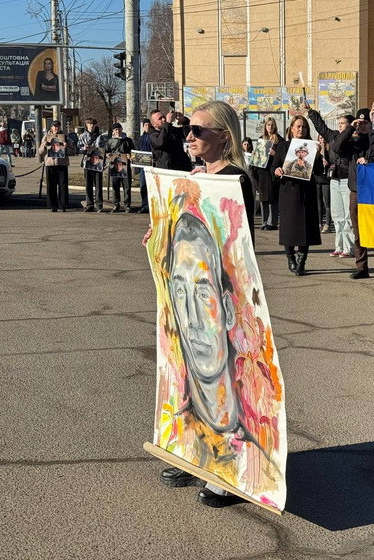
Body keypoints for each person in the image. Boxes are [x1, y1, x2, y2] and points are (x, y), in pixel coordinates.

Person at [144, 99, 258, 507]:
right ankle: (192, 453)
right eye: (187, 130)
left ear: (224, 138)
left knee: (226, 373)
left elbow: (235, 244)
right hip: (186, 288)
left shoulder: (235, 181)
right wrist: (159, 233)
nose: (188, 137)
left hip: (219, 291)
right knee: (185, 368)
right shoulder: (195, 177)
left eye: (198, 131)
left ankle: (230, 471)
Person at [272, 115, 322, 275]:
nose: (301, 129)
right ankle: (290, 257)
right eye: (298, 126)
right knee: (289, 226)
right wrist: (277, 171)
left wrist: (319, 155)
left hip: (307, 191)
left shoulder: (312, 146)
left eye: (304, 127)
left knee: (305, 227)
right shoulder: (283, 146)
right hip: (288, 190)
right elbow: (274, 167)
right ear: (291, 128)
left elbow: (320, 171)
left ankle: (302, 261)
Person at [342, 107, 374, 280]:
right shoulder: (353, 141)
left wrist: (373, 128)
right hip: (356, 189)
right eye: (359, 123)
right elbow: (338, 147)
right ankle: (362, 266)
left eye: (365, 123)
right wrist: (350, 129)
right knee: (358, 230)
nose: (362, 126)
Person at [306, 104, 355, 257]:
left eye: (343, 124)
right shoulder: (333, 135)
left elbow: (341, 146)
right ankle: (339, 246)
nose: (339, 126)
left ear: (350, 126)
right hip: (334, 179)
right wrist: (311, 112)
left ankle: (349, 247)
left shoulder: (353, 139)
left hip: (347, 180)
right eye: (339, 123)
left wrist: (350, 130)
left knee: (348, 216)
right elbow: (321, 127)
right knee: (337, 215)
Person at [253, 117, 282, 230]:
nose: (270, 127)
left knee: (273, 198)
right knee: (263, 198)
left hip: (272, 172)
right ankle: (264, 222)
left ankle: (272, 222)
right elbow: (256, 158)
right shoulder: (261, 139)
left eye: (272, 125)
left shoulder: (279, 140)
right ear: (265, 126)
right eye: (268, 125)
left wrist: (275, 153)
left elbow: (283, 157)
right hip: (262, 172)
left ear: (275, 126)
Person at [37, 120, 70, 212]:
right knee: (51, 185)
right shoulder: (46, 137)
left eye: (58, 127)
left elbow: (73, 151)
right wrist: (44, 145)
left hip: (62, 163)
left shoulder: (65, 137)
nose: (56, 128)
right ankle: (52, 205)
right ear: (51, 128)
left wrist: (67, 147)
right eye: (54, 127)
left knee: (63, 185)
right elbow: (40, 151)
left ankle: (63, 205)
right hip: (50, 163)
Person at [78, 118, 106, 212]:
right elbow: (78, 148)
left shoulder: (100, 136)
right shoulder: (82, 136)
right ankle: (89, 204)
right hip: (87, 162)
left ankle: (99, 205)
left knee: (98, 184)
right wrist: (84, 148)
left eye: (92, 124)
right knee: (88, 184)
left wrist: (95, 148)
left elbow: (104, 148)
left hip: (98, 162)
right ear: (86, 125)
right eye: (89, 124)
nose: (91, 126)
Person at [106, 123, 134, 213]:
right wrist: (107, 155)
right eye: (115, 130)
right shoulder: (110, 141)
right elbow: (106, 151)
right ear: (113, 131)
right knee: (115, 186)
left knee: (127, 186)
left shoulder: (128, 140)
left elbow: (133, 151)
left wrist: (130, 155)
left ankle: (127, 205)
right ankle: (116, 204)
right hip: (114, 166)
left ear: (122, 130)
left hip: (125, 166)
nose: (117, 131)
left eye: (119, 129)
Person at [315, 134, 333, 233]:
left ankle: (327, 224)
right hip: (317, 178)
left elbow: (333, 161)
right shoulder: (316, 150)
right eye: (320, 138)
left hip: (326, 179)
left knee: (327, 202)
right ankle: (319, 223)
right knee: (318, 203)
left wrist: (328, 163)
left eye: (323, 138)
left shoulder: (329, 150)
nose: (322, 140)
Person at [136, 119, 153, 214]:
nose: (147, 126)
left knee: (152, 186)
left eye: (149, 124)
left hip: (152, 165)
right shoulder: (141, 139)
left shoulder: (154, 136)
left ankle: (152, 205)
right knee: (143, 185)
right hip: (143, 166)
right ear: (143, 126)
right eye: (145, 125)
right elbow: (137, 150)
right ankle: (144, 204)